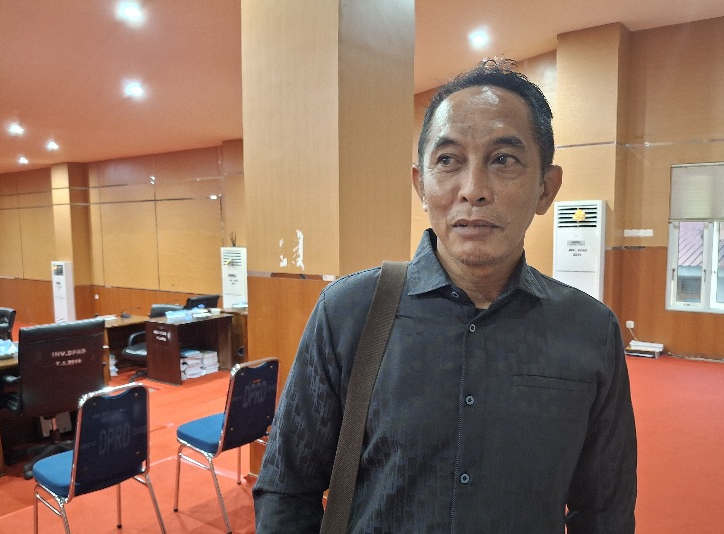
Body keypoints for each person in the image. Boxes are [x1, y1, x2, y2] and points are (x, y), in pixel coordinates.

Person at [253, 58, 637, 533]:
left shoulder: (590, 331)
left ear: (546, 188)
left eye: (503, 159)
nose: (473, 191)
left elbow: (604, 511)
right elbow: (287, 488)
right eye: (449, 160)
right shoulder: (349, 312)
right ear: (421, 184)